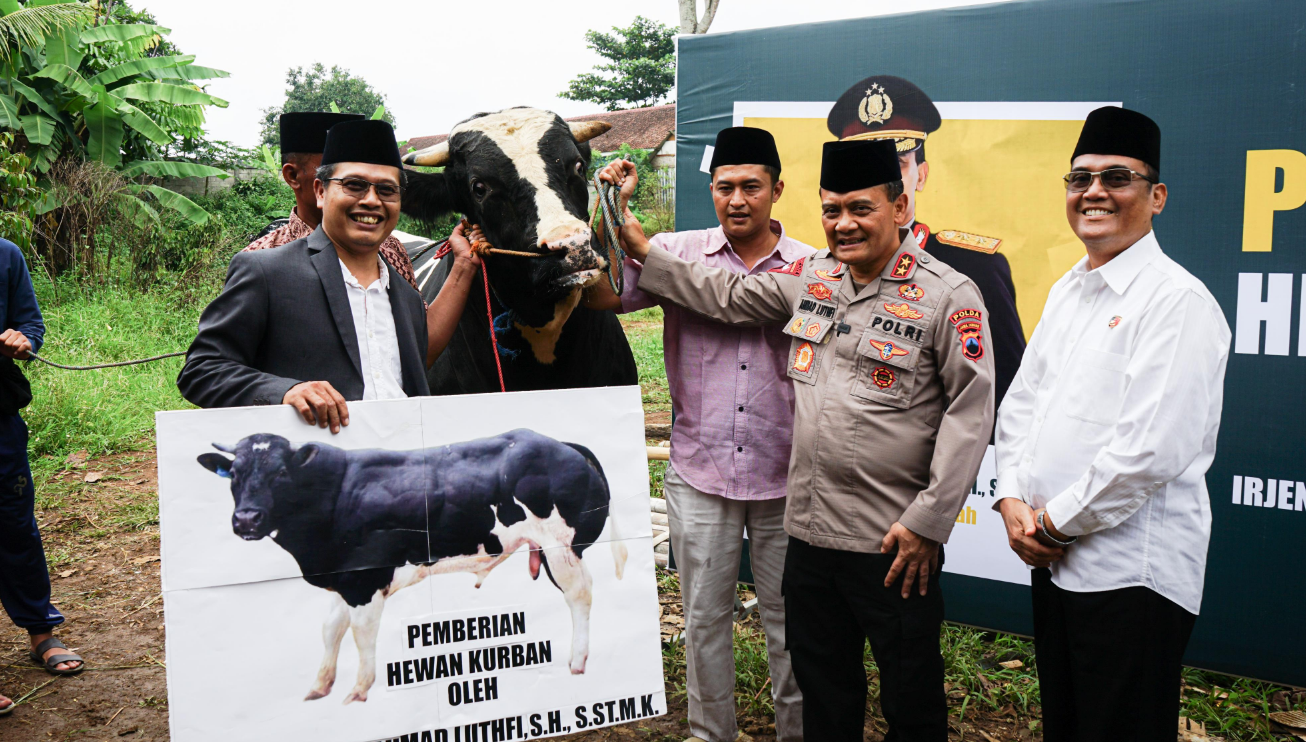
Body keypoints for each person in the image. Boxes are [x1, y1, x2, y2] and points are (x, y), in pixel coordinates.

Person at [608, 139, 994, 741]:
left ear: (898, 207)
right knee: (824, 688)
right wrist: (637, 242)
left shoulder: (948, 295)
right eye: (832, 209)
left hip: (892, 538)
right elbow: (727, 296)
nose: (844, 224)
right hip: (809, 533)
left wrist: (928, 522)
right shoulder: (814, 277)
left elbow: (971, 415)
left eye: (861, 208)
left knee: (910, 691)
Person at [994, 106, 1230, 741]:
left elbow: (1150, 451)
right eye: (1079, 178)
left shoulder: (1175, 301)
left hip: (1130, 576)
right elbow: (1023, 405)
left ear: (1155, 197)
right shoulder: (1070, 289)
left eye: (1116, 177)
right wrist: (1012, 496)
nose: (1093, 191)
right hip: (1053, 559)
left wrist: (1049, 523)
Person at [588, 126, 814, 742]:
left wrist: (646, 249)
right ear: (710, 191)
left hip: (786, 478)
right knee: (702, 620)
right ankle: (711, 733)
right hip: (700, 470)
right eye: (724, 188)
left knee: (791, 625)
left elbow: (738, 301)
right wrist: (611, 209)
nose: (737, 199)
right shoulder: (676, 246)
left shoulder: (813, 268)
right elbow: (604, 295)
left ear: (777, 190)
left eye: (750, 187)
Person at [177, 120, 480, 427]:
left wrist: (464, 265)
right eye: (354, 185)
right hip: (318, 467)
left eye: (387, 190)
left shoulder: (406, 297)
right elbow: (201, 371)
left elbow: (417, 364)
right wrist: (285, 391)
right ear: (321, 191)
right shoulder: (265, 270)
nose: (372, 200)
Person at [827, 75, 1026, 413]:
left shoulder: (975, 269)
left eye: (897, 164)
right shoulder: (823, 269)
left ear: (921, 175)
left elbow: (1005, 392)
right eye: (861, 169)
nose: (878, 181)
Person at [0, 237, 84, 721]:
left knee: (15, 526)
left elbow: (30, 322)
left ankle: (40, 631)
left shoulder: (5, 255)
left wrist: (24, 339)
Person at [245, 111, 420, 290]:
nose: (370, 199)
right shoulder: (262, 259)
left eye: (385, 188)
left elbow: (416, 316)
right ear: (293, 176)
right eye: (352, 182)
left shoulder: (390, 249)